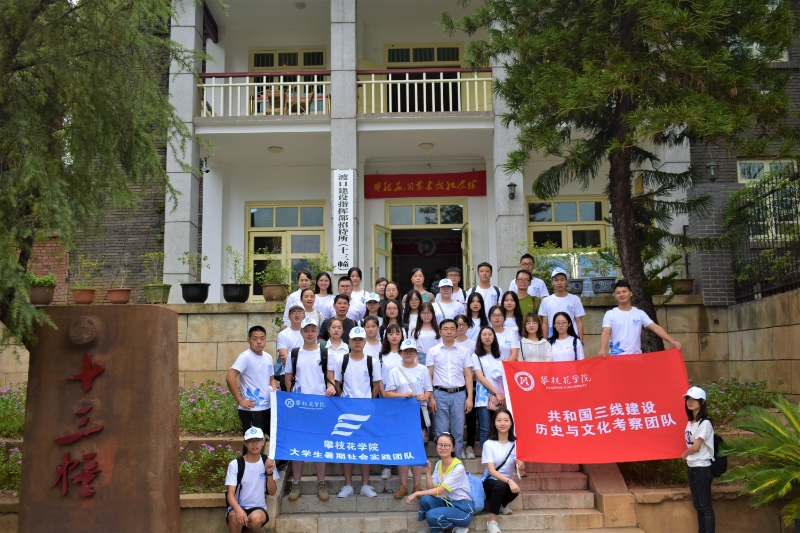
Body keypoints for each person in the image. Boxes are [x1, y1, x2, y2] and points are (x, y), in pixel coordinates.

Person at [283, 318, 336, 501]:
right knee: (298, 444)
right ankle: (296, 483)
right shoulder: (294, 353)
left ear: (317, 332)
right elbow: (288, 379)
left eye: (313, 330)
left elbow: (331, 378)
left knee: (319, 443)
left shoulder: (326, 353)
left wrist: (331, 388)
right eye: (306, 330)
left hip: (320, 405)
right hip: (299, 407)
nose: (310, 333)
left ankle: (321, 482)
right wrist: (293, 398)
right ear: (302, 332)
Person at [333, 327, 380, 498]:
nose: (358, 342)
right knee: (347, 448)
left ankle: (365, 485)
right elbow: (337, 383)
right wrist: (344, 401)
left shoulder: (372, 361)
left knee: (365, 448)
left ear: (365, 342)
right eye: (354, 339)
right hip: (346, 411)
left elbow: (376, 385)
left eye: (360, 339)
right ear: (349, 341)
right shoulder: (341, 360)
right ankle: (348, 485)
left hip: (366, 412)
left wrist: (369, 403)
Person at [383, 338, 432, 499]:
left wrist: (425, 396)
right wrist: (402, 395)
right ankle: (403, 485)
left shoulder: (423, 369)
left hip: (418, 411)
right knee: (402, 448)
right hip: (401, 413)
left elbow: (429, 390)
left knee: (417, 446)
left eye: (411, 351)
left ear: (416, 353)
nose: (409, 354)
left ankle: (417, 484)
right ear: (400, 353)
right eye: (406, 351)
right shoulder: (395, 371)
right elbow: (388, 393)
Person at [405, 432, 473, 533]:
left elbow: (440, 491)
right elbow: (431, 489)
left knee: (431, 514)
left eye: (447, 445)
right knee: (425, 499)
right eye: (440, 445)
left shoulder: (458, 467)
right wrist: (428, 472)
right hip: (449, 503)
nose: (443, 448)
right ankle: (435, 525)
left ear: (453, 448)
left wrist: (416, 493)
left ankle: (456, 527)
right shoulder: (439, 464)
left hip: (463, 509)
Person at [598, 280, 683, 357]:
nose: (621, 295)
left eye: (624, 291)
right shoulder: (610, 314)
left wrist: (672, 341)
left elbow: (655, 328)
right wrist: (602, 349)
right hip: (616, 357)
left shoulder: (639, 313)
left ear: (630, 293)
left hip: (636, 357)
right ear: (615, 296)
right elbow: (606, 332)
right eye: (618, 293)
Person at [427, 318, 473, 459]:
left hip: (459, 394)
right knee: (441, 431)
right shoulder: (433, 351)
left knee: (458, 431)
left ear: (456, 331)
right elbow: (429, 375)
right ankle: (443, 463)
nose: (449, 332)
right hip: (439, 393)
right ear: (440, 332)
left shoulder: (464, 351)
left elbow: (468, 375)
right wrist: (431, 397)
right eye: (445, 329)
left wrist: (470, 398)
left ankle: (456, 463)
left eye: (452, 329)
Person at [226, 326, 277, 443]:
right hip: (251, 410)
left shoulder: (268, 357)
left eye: (262, 338)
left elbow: (271, 379)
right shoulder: (245, 357)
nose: (259, 342)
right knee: (253, 445)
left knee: (276, 440)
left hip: (267, 408)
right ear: (249, 340)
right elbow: (230, 377)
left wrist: (274, 390)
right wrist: (240, 400)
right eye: (255, 338)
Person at [224, 427, 277, 533]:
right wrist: (238, 509)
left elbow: (272, 492)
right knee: (234, 516)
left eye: (257, 440)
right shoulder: (235, 464)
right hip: (238, 506)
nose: (254, 444)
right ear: (245, 443)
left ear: (263, 442)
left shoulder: (268, 462)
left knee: (256, 519)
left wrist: (269, 473)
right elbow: (230, 494)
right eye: (250, 441)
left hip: (258, 508)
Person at [482, 409, 524, 533]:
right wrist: (510, 481)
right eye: (499, 420)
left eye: (506, 420)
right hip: (490, 482)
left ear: (511, 423)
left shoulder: (516, 444)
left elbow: (519, 468)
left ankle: (502, 505)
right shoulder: (489, 444)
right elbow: (491, 471)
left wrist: (521, 467)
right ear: (494, 423)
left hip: (506, 483)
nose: (502, 423)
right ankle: (492, 522)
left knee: (515, 490)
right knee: (500, 485)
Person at [681, 387, 715, 533]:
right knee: (698, 505)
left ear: (702, 402)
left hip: (702, 467)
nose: (690, 402)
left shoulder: (705, 422)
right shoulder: (691, 421)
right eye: (688, 399)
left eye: (694, 399)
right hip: (692, 466)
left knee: (705, 507)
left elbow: (696, 446)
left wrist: (684, 454)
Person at [378, 323, 405, 481]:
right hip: (386, 399)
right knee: (386, 433)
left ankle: (404, 464)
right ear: (386, 337)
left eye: (397, 333)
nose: (394, 336)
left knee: (402, 433)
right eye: (391, 333)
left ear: (402, 335)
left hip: (405, 399)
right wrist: (384, 394)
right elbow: (378, 378)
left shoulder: (407, 353)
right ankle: (386, 466)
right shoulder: (382, 355)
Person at [472, 327, 506, 447]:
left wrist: (500, 394)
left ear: (494, 337)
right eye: (484, 334)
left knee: (499, 429)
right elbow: (480, 377)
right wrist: (496, 392)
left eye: (490, 334)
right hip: (484, 397)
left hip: (500, 397)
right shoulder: (476, 356)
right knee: (485, 429)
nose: (487, 337)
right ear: (480, 337)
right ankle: (486, 456)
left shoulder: (500, 356)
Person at [538, 267, 585, 339]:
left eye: (562, 280)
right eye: (556, 280)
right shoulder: (546, 301)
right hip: (553, 340)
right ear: (552, 282)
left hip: (571, 340)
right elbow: (545, 323)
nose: (559, 283)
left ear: (566, 281)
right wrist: (545, 341)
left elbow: (579, 322)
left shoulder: (575, 299)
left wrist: (581, 341)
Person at [276, 305, 305, 391]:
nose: (297, 315)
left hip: (306, 374)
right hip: (287, 374)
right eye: (293, 312)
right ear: (289, 317)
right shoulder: (283, 334)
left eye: (300, 312)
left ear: (304, 316)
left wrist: (290, 356)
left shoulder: (309, 334)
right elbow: (285, 358)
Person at [411, 302, 440, 366]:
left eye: (429, 313)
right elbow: (413, 348)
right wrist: (416, 362)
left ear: (433, 314)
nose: (426, 315)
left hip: (435, 359)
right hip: (420, 359)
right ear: (419, 314)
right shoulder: (415, 331)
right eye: (423, 313)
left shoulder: (438, 331)